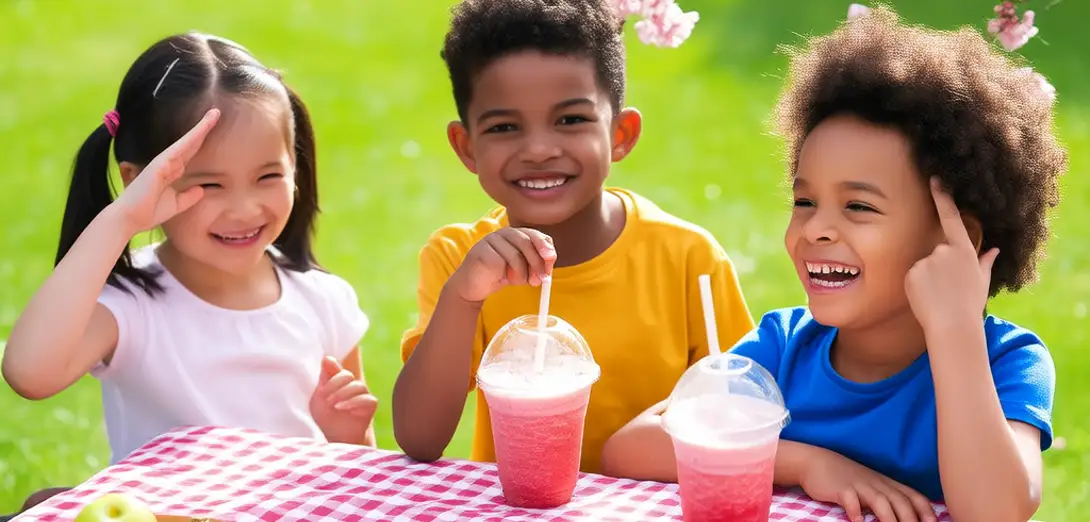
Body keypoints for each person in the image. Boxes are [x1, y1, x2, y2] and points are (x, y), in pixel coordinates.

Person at [604, 6, 1065, 522]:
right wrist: (804, 463)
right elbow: (631, 447)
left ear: (958, 238)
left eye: (859, 206)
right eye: (805, 202)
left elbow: (997, 511)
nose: (816, 228)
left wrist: (955, 329)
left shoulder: (1007, 360)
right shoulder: (783, 347)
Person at [1, 32, 377, 515]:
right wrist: (123, 219)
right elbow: (28, 373)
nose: (244, 209)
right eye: (210, 184)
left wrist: (348, 438)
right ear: (142, 183)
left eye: (268, 176)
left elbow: (358, 485)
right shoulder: (131, 305)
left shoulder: (325, 301)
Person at [391, 0, 754, 475]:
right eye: (504, 127)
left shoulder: (689, 260)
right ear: (466, 147)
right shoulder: (458, 261)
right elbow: (420, 436)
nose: (539, 149)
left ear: (621, 133)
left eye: (571, 120)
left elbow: (738, 417)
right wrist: (463, 297)